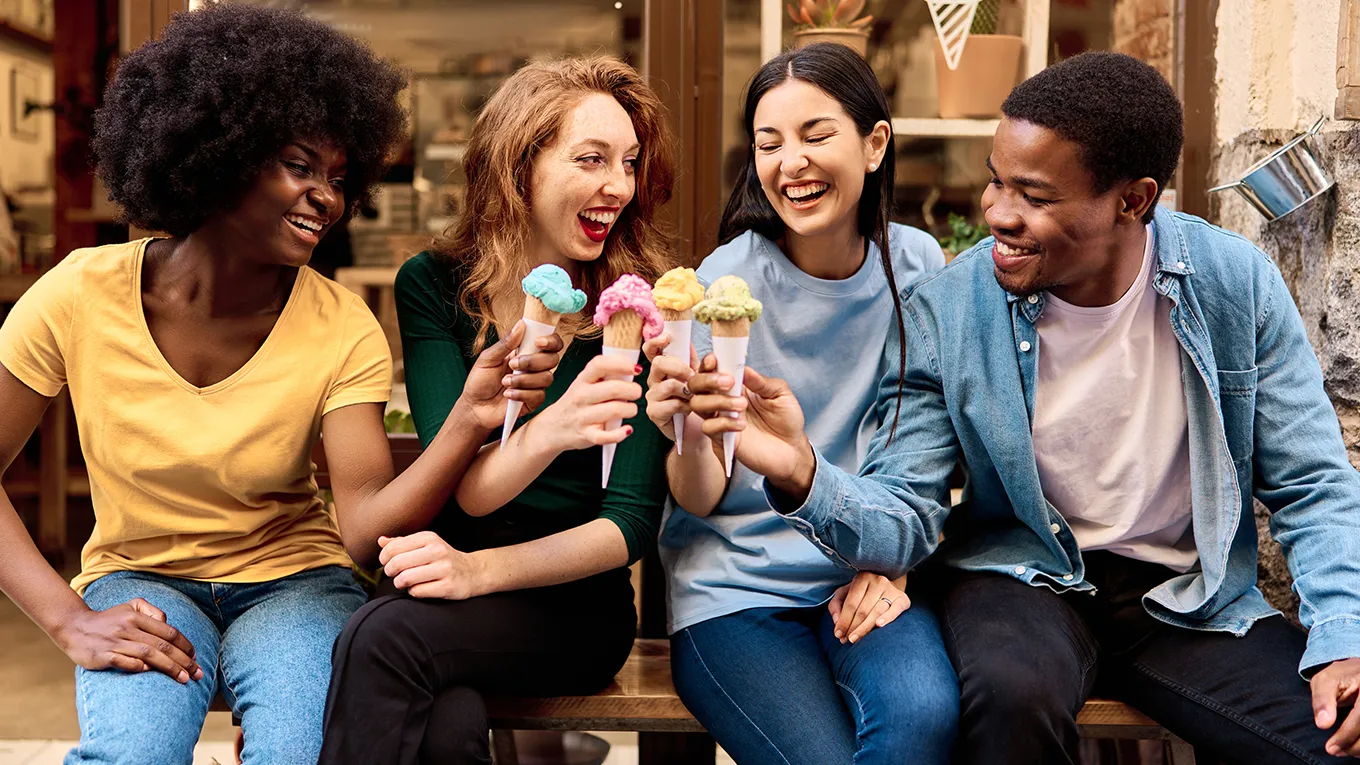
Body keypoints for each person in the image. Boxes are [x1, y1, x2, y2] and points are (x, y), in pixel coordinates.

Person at [686, 51, 1360, 764]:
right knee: (1008, 698)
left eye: (1033, 196)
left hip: (1185, 598)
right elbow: (907, 509)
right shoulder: (949, 307)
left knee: (1334, 737)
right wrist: (801, 470)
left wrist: (1345, 634)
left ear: (1132, 200)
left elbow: (1313, 482)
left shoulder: (1232, 283)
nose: (997, 214)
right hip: (1024, 576)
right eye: (994, 181)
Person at [0, 7, 561, 764]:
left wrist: (467, 415)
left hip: (293, 585)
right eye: (301, 166)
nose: (327, 198)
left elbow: (362, 521)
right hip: (142, 578)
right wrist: (67, 619)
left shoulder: (340, 326)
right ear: (219, 153)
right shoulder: (79, 294)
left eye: (338, 178)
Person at [319, 56, 677, 765]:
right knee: (445, 727)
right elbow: (469, 488)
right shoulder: (436, 285)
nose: (619, 185)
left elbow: (627, 525)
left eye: (630, 162)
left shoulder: (638, 306)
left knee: (379, 638)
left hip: (570, 604)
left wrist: (478, 572)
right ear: (520, 169)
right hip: (442, 578)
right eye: (592, 158)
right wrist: (551, 426)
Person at [645, 43, 956, 765]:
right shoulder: (724, 284)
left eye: (816, 135)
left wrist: (895, 560)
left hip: (864, 573)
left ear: (874, 143)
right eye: (769, 143)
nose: (792, 163)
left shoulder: (920, 269)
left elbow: (925, 464)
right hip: (734, 591)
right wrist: (689, 431)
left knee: (922, 718)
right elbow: (698, 498)